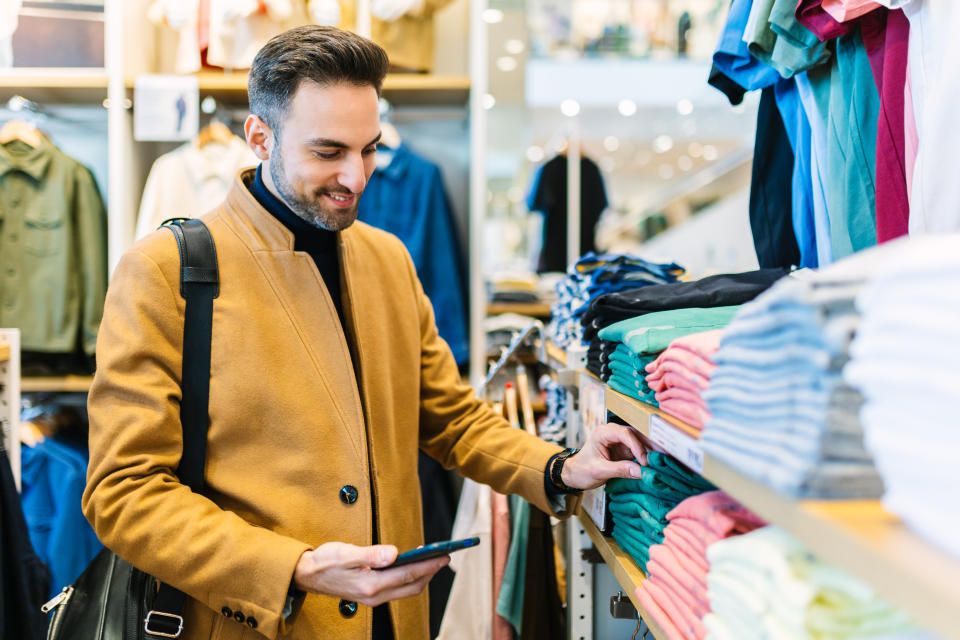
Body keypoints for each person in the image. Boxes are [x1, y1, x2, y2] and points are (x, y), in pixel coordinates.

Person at [82, 26, 646, 640]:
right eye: (328, 152)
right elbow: (123, 492)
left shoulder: (387, 259)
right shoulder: (164, 269)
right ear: (259, 136)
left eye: (369, 149)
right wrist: (292, 567)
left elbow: (450, 417)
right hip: (255, 624)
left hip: (396, 621)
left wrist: (561, 467)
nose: (356, 177)